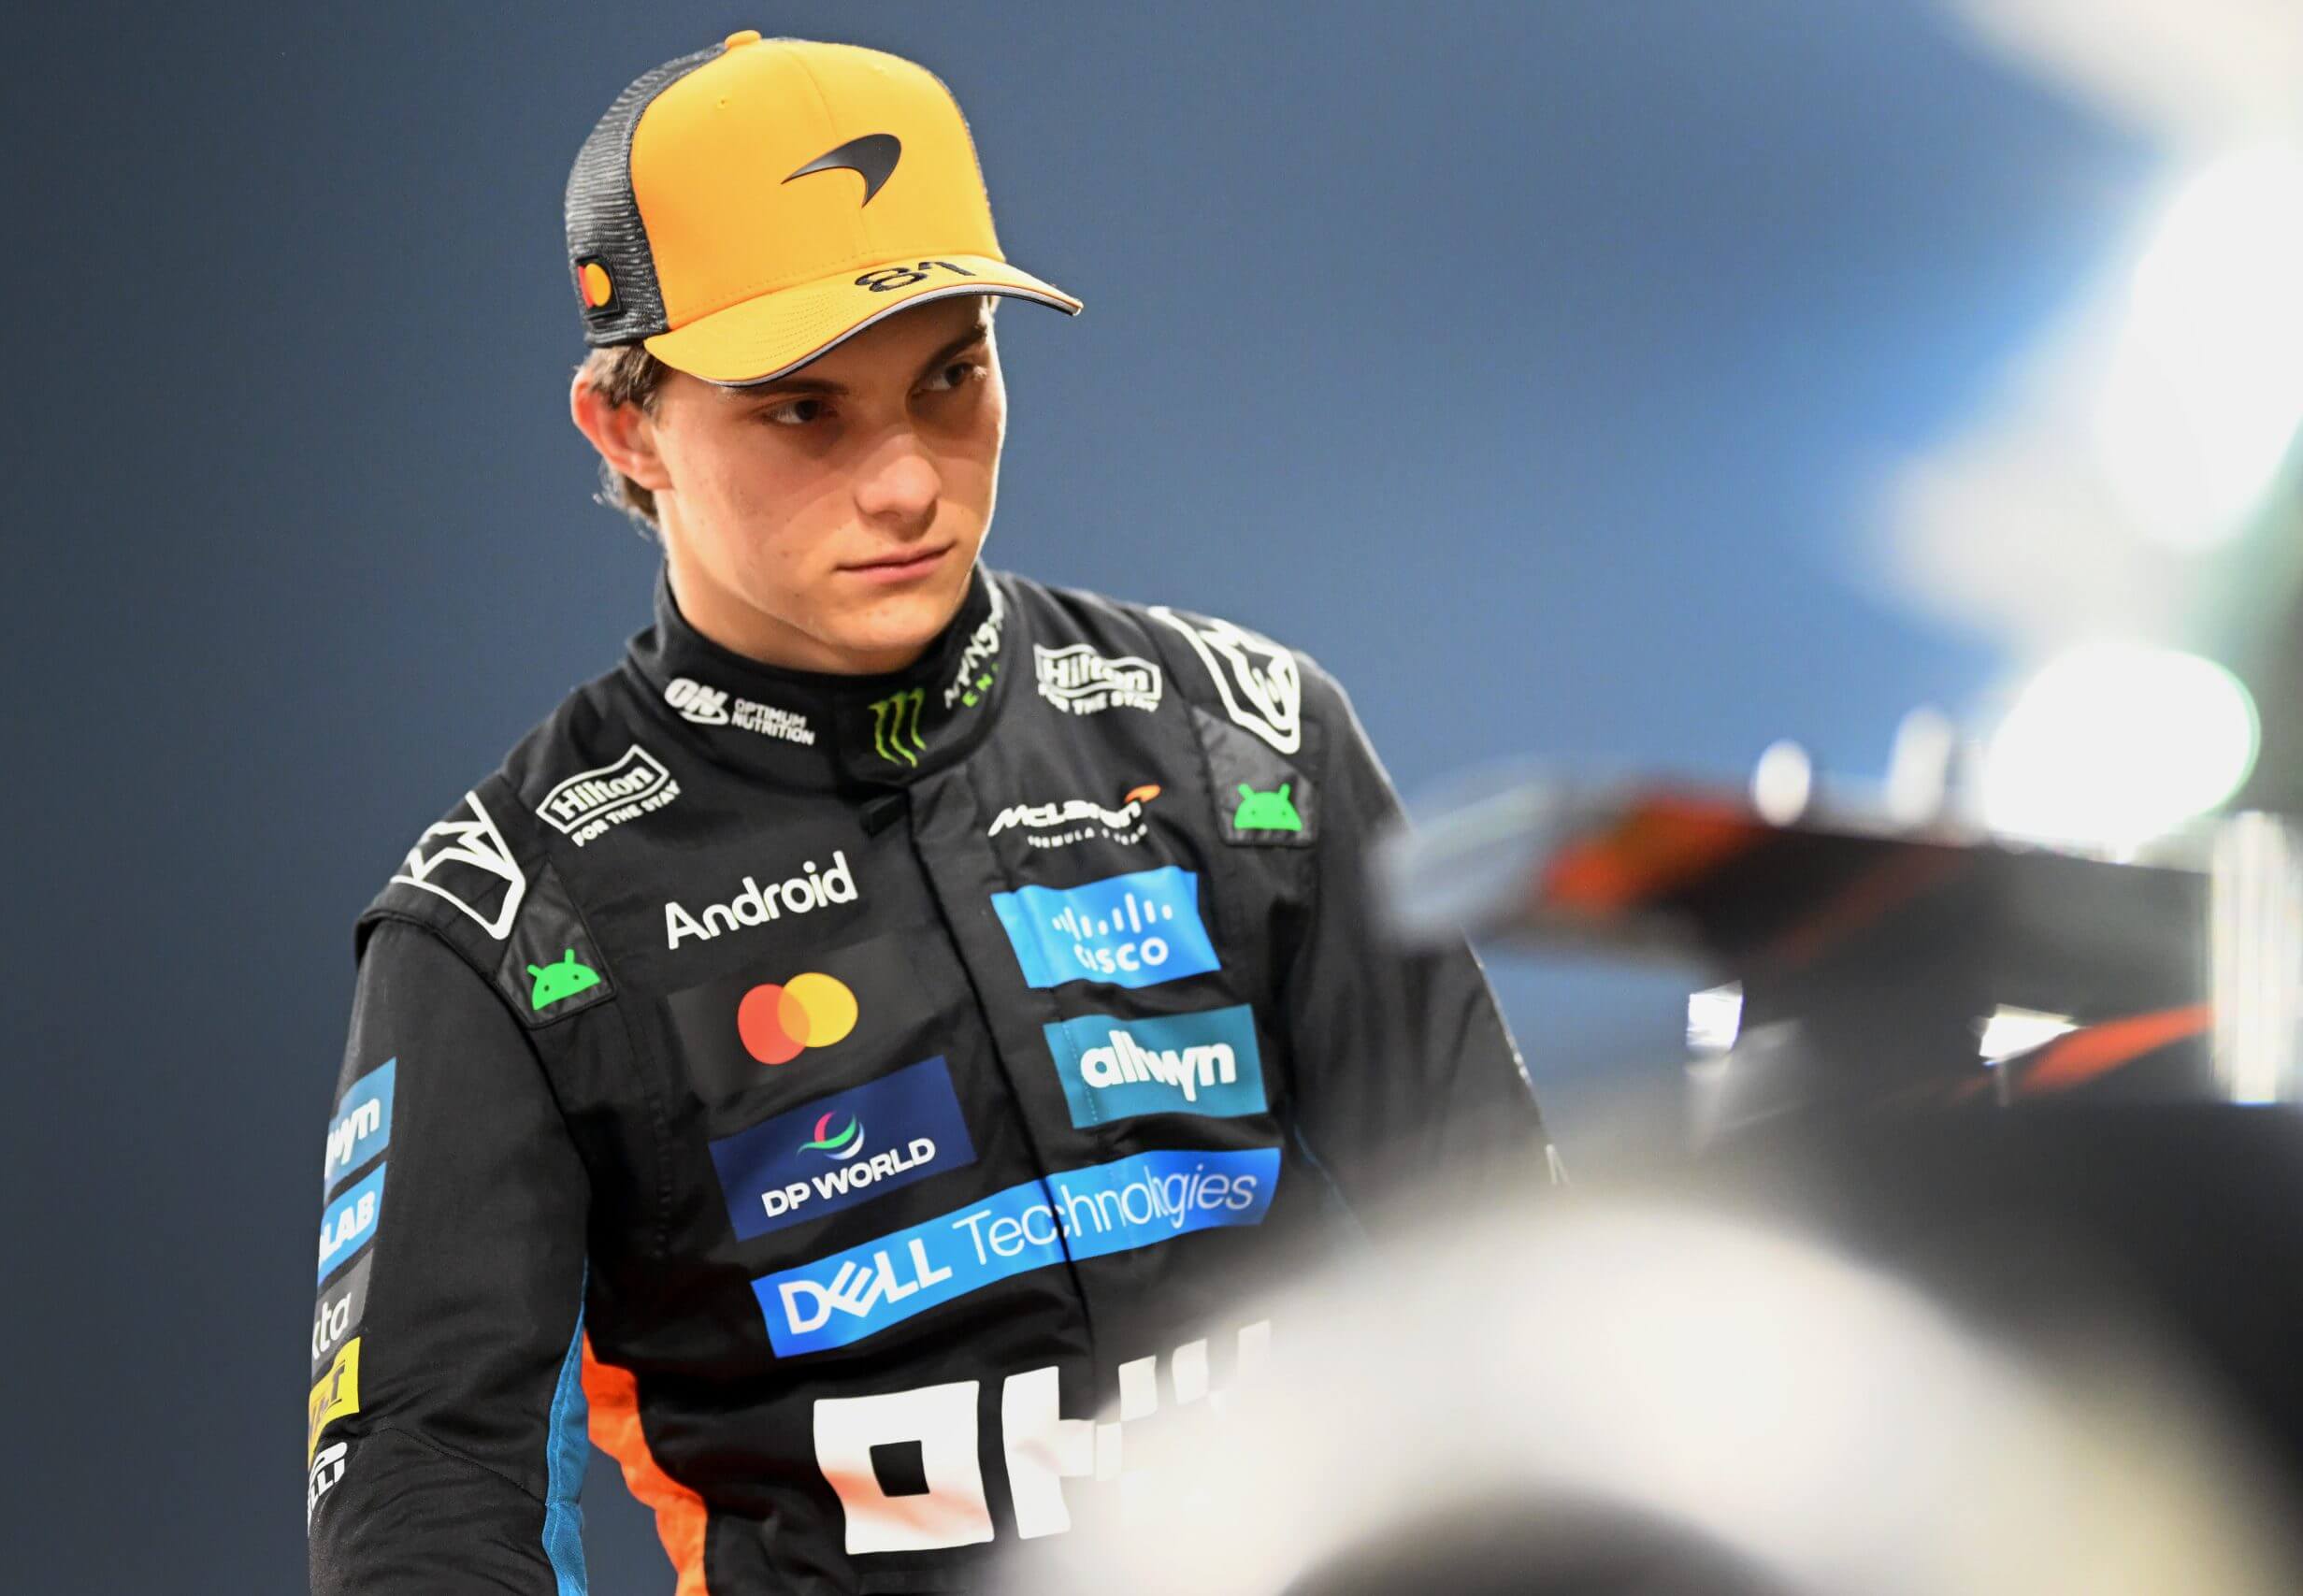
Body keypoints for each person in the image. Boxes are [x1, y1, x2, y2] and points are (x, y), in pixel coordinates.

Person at [307, 28, 1552, 1595]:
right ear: (627, 428)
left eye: (951, 376)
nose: (908, 484)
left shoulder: (1249, 742)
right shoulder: (506, 922)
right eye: (804, 413)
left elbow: (1522, 1289)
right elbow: (424, 1498)